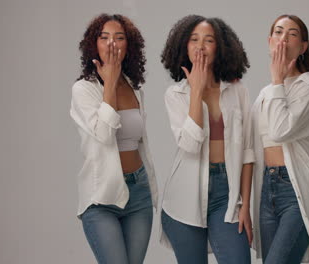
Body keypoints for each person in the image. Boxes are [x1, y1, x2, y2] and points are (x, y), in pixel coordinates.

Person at [159, 15, 254, 264]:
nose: (200, 46)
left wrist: (245, 205)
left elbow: (247, 151)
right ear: (184, 45)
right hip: (184, 197)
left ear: (219, 47)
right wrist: (196, 92)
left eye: (208, 40)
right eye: (194, 39)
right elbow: (190, 145)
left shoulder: (238, 91)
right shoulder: (175, 94)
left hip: (227, 192)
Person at [250, 14, 309, 264]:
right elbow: (250, 145)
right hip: (266, 191)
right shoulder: (265, 94)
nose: (283, 39)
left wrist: (278, 79)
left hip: (294, 191)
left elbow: (280, 131)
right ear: (269, 41)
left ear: (303, 47)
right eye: (278, 32)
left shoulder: (306, 86)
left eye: (291, 34)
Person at [70, 13, 158, 264]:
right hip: (101, 198)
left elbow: (140, 142)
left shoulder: (134, 88)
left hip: (139, 193)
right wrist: (108, 83)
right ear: (93, 44)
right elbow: (104, 134)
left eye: (119, 38)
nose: (112, 43)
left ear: (128, 46)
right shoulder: (83, 89)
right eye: (104, 37)